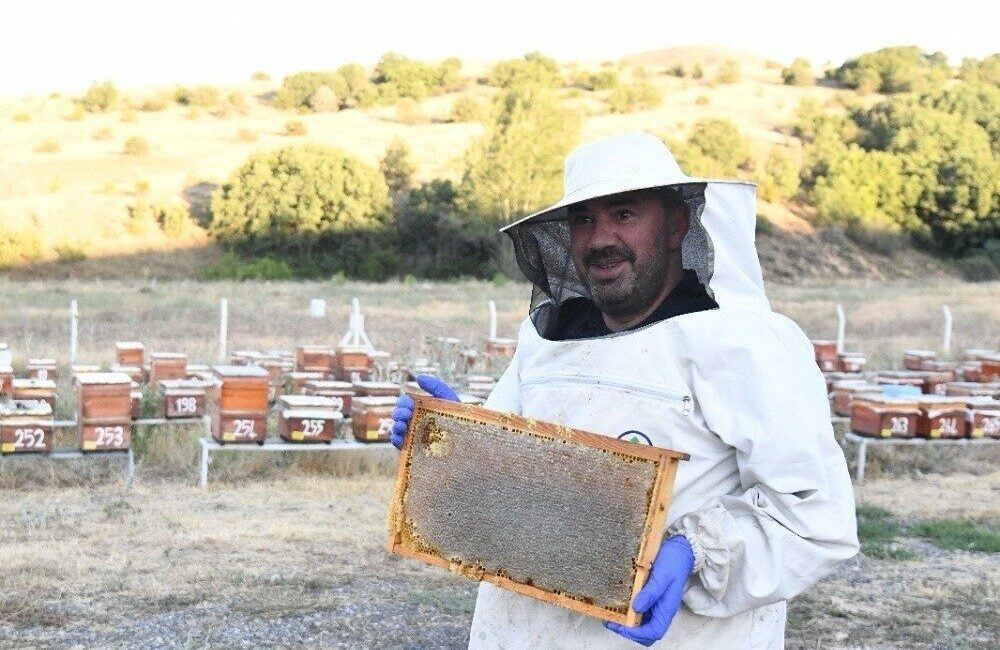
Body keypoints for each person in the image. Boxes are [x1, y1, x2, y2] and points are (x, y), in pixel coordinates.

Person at [391, 131, 858, 649]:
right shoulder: (547, 338)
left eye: (624, 214)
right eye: (583, 220)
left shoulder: (745, 343)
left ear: (677, 225)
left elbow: (816, 519)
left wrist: (695, 551)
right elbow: (506, 482)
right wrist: (455, 440)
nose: (599, 239)